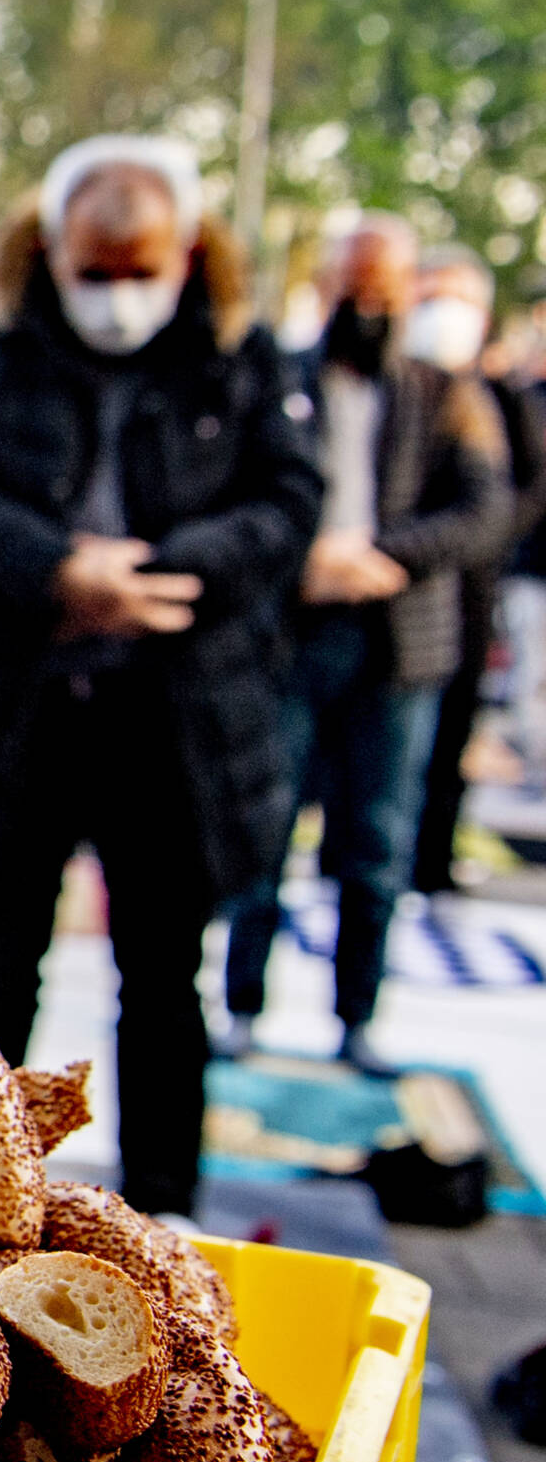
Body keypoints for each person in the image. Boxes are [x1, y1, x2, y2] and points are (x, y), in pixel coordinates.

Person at [0, 136, 321, 1216]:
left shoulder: (236, 350)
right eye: (96, 274)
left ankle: (164, 1202)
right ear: (50, 248)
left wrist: (174, 575)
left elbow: (287, 498)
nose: (117, 299)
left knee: (164, 978)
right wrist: (53, 570)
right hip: (10, 707)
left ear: (186, 256)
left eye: (140, 275)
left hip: (174, 712)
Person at [219, 217, 513, 1073]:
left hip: (398, 644)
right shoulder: (281, 375)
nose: (369, 308)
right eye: (356, 291)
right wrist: (299, 559)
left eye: (385, 293)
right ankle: (242, 1005)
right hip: (293, 633)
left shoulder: (443, 393)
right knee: (264, 830)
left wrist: (389, 558)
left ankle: (357, 1017)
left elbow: (480, 508)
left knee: (374, 841)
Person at [406, 248, 546, 895]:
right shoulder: (385, 382)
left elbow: (525, 491)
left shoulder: (502, 399)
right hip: (386, 600)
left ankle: (431, 862)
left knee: (449, 734)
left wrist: (469, 540)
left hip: (464, 593)